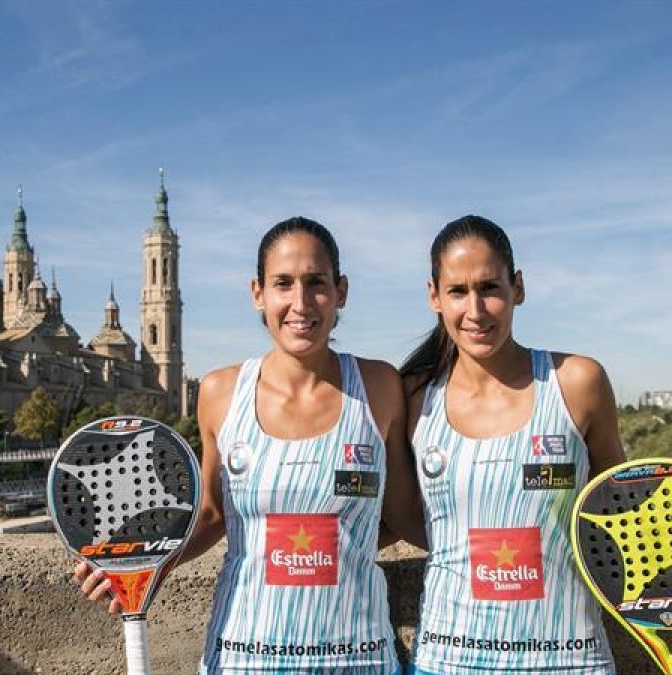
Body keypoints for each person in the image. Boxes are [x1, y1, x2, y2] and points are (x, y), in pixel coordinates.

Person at [397, 215, 672, 674]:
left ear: (517, 288)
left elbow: (626, 519)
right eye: (457, 292)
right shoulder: (413, 397)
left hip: (570, 659)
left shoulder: (578, 382)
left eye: (489, 288)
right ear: (434, 297)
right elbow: (393, 516)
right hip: (447, 660)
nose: (476, 309)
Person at [76, 216, 424, 673]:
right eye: (283, 283)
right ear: (258, 293)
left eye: (316, 283)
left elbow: (402, 516)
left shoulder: (379, 386)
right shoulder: (222, 392)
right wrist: (144, 568)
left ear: (341, 291)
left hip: (358, 658)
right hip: (244, 655)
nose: (300, 302)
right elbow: (212, 513)